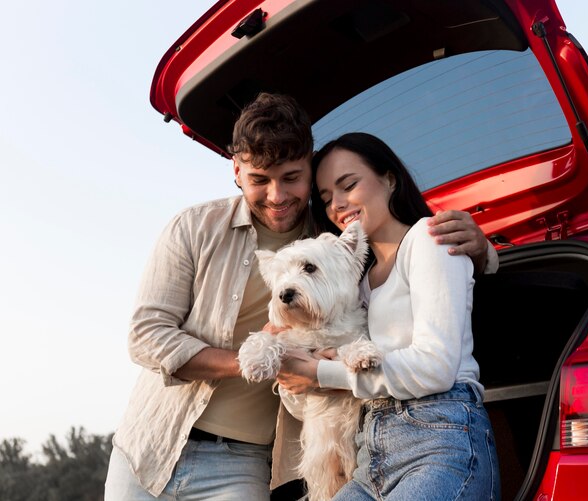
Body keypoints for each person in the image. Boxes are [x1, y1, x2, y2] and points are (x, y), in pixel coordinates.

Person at [103, 93, 496, 500]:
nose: (277, 195)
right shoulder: (194, 228)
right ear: (236, 171)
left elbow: (415, 268)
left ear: (308, 170)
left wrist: (483, 251)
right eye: (259, 179)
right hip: (155, 442)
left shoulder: (335, 245)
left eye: (291, 178)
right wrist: (265, 359)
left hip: (250, 459)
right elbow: (147, 335)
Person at [277, 132, 501, 500]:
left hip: (439, 441)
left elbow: (435, 367)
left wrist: (320, 373)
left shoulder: (429, 240)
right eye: (327, 198)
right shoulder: (357, 283)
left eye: (348, 185)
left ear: (390, 179)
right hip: (372, 450)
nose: (338, 205)